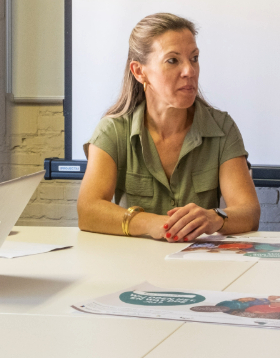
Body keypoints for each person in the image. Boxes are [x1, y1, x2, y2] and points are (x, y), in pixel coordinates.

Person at [76, 13, 260, 241]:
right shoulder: (112, 130)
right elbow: (88, 210)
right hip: (132, 266)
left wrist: (215, 218)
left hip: (201, 267)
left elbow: (249, 211)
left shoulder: (222, 127)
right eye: (173, 60)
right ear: (139, 72)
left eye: (194, 58)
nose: (189, 71)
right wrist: (153, 223)